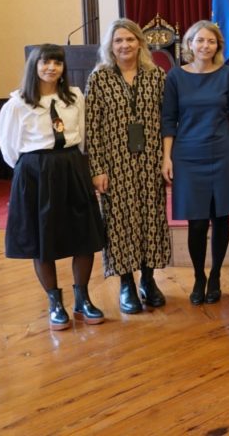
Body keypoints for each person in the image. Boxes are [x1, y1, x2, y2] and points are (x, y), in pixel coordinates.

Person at [0, 44, 106, 330]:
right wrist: (34, 169)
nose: (51, 68)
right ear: (34, 66)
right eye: (45, 63)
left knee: (84, 235)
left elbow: (82, 134)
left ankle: (82, 298)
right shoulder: (18, 103)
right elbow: (9, 149)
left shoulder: (74, 97)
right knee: (42, 239)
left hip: (71, 165)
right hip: (36, 172)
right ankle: (55, 302)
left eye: (57, 63)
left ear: (63, 68)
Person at [85, 19, 171, 314]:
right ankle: (126, 284)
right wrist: (97, 168)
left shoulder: (156, 75)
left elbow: (167, 121)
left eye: (130, 40)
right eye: (118, 40)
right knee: (120, 222)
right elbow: (91, 128)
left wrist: (166, 159)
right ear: (111, 45)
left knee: (150, 217)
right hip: (114, 162)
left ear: (140, 43)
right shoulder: (99, 79)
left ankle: (148, 279)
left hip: (149, 160)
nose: (125, 45)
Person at [161, 21, 229, 305]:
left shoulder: (227, 75)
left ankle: (217, 275)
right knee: (196, 223)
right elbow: (168, 120)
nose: (205, 46)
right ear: (190, 44)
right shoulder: (175, 77)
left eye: (211, 41)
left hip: (222, 153)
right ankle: (199, 276)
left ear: (218, 46)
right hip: (187, 156)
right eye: (200, 41)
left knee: (221, 219)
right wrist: (166, 157)